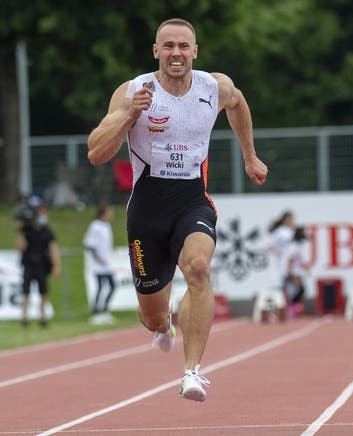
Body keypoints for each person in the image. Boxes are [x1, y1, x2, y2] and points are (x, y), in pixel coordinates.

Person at [86, 18, 268, 402]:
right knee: (152, 316)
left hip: (192, 201)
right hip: (146, 211)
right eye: (168, 46)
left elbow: (237, 103)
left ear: (195, 51)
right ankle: (162, 326)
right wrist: (128, 115)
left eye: (183, 46)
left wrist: (250, 156)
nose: (176, 53)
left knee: (199, 268)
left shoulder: (213, 87)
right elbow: (96, 153)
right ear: (156, 51)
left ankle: (191, 373)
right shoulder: (133, 91)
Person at [17, 204, 61, 327]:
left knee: (43, 292)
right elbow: (20, 247)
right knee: (26, 292)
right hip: (29, 265)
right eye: (42, 213)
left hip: (42, 265)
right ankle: (24, 318)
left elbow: (53, 248)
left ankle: (43, 317)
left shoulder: (47, 231)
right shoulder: (27, 230)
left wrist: (56, 265)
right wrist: (21, 231)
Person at [83, 205, 117, 324]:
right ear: (103, 213)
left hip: (107, 264)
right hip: (98, 264)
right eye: (109, 213)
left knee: (113, 286)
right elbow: (88, 244)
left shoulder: (107, 226)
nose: (111, 215)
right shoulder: (95, 226)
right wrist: (98, 258)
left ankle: (104, 310)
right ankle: (96, 312)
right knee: (100, 287)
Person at [282, 226, 309, 317]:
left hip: (296, 271)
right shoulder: (294, 247)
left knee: (300, 290)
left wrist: (305, 269)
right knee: (299, 290)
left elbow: (299, 260)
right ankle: (291, 309)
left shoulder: (298, 246)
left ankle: (294, 308)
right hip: (293, 272)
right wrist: (290, 272)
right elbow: (290, 260)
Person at [268, 210, 296, 290]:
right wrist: (275, 252)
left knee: (290, 280)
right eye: (290, 219)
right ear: (285, 220)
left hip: (290, 260)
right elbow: (269, 244)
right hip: (282, 260)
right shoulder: (280, 231)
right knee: (282, 280)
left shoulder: (291, 231)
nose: (292, 221)